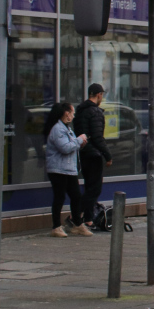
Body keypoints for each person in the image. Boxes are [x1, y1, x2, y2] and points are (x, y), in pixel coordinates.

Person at [43, 102, 91, 238]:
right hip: (58, 169)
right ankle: (56, 227)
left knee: (76, 197)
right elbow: (64, 148)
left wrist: (79, 144)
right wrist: (79, 140)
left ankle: (77, 224)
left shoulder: (67, 129)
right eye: (72, 112)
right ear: (66, 113)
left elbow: (70, 146)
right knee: (59, 197)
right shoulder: (58, 129)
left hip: (69, 169)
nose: (74, 115)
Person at [74, 83, 112, 229]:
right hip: (93, 154)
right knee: (95, 189)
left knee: (89, 186)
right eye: (102, 95)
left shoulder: (80, 111)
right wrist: (107, 155)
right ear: (98, 95)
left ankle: (88, 219)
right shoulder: (95, 112)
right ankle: (75, 214)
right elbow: (97, 137)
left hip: (83, 153)